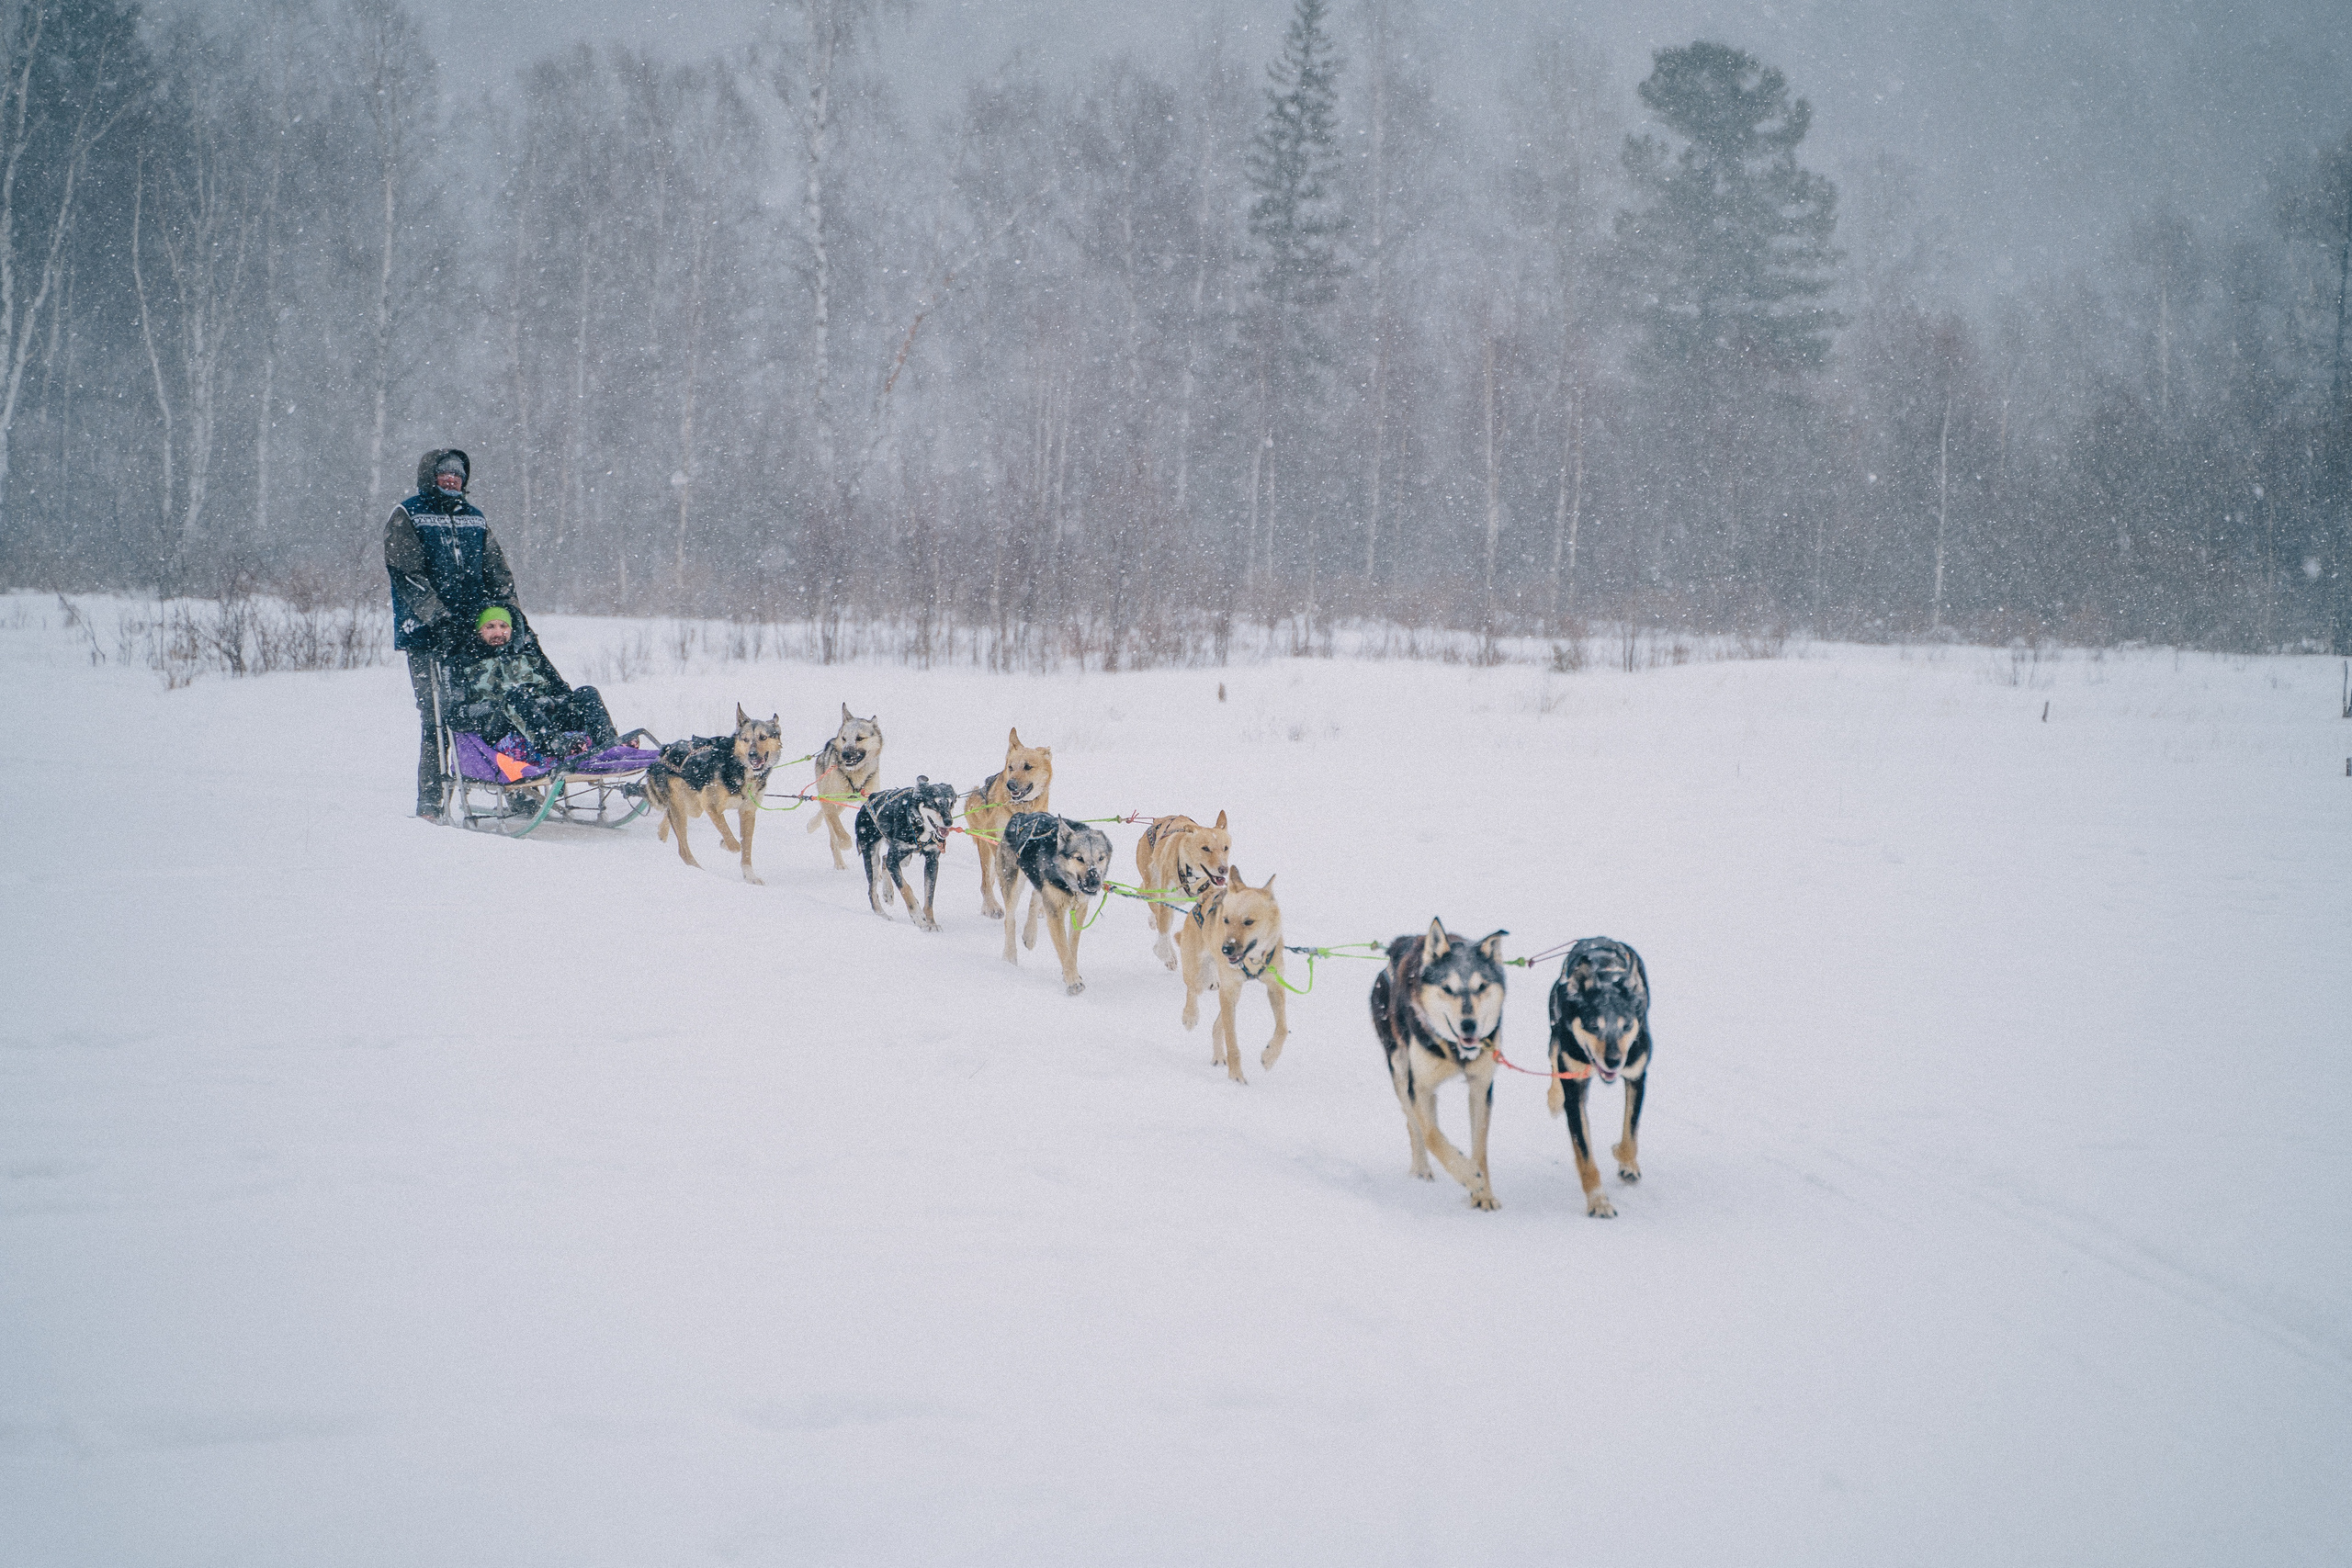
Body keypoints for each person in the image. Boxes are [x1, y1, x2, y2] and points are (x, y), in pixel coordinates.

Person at [385, 448, 514, 816]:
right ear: (430, 476)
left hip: (474, 635)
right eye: (445, 473)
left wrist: (511, 617)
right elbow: (407, 574)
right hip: (427, 635)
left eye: (458, 474)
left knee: (496, 707)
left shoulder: (475, 519)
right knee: (437, 716)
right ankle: (430, 800)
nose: (452, 479)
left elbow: (497, 573)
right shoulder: (408, 514)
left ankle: (516, 785)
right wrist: (439, 619)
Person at [440, 604, 618, 760]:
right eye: (490, 626)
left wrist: (546, 702)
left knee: (586, 692)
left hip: (543, 717)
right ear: (479, 631)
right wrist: (494, 707)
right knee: (516, 696)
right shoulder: (461, 663)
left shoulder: (529, 656)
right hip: (497, 726)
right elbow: (455, 714)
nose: (498, 633)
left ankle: (608, 742)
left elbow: (563, 692)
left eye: (504, 626)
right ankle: (555, 745)